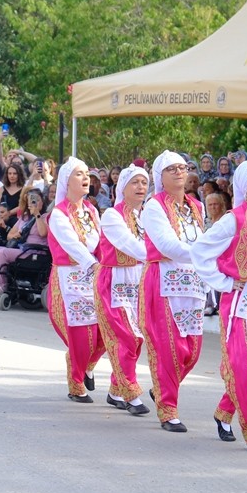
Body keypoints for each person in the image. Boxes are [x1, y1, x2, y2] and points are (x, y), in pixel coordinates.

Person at [192, 159, 247, 452]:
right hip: (243, 299)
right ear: (245, 184)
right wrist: (226, 283)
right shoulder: (234, 219)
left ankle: (224, 411)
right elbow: (201, 251)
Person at [140, 151, 206, 432]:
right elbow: (167, 245)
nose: (180, 172)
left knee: (191, 350)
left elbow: (203, 239)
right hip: (163, 280)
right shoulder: (154, 207)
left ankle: (161, 387)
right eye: (172, 169)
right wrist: (204, 254)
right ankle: (168, 410)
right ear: (160, 177)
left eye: (183, 167)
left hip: (193, 283)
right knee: (169, 348)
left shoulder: (196, 206)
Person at [46, 157, 106, 403]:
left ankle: (87, 366)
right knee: (80, 333)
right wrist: (93, 263)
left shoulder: (92, 210)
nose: (85, 179)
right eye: (79, 174)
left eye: (87, 174)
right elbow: (71, 244)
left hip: (94, 275)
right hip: (68, 278)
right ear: (66, 181)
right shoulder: (58, 214)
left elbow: (100, 241)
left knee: (104, 331)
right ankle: (76, 382)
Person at [94, 166, 150, 415]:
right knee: (126, 336)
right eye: (135, 183)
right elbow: (132, 246)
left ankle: (115, 390)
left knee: (137, 338)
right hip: (114, 279)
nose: (140, 187)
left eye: (144, 182)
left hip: (138, 279)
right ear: (122, 188)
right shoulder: (112, 216)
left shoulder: (146, 216)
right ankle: (130, 393)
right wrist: (162, 255)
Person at [0, 188, 48, 296]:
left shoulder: (46, 217)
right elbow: (10, 236)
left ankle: (2, 284)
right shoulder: (24, 218)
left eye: (36, 200)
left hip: (35, 253)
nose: (33, 203)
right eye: (31, 200)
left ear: (42, 202)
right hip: (22, 250)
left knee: (3, 253)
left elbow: (43, 233)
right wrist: (17, 234)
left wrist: (37, 214)